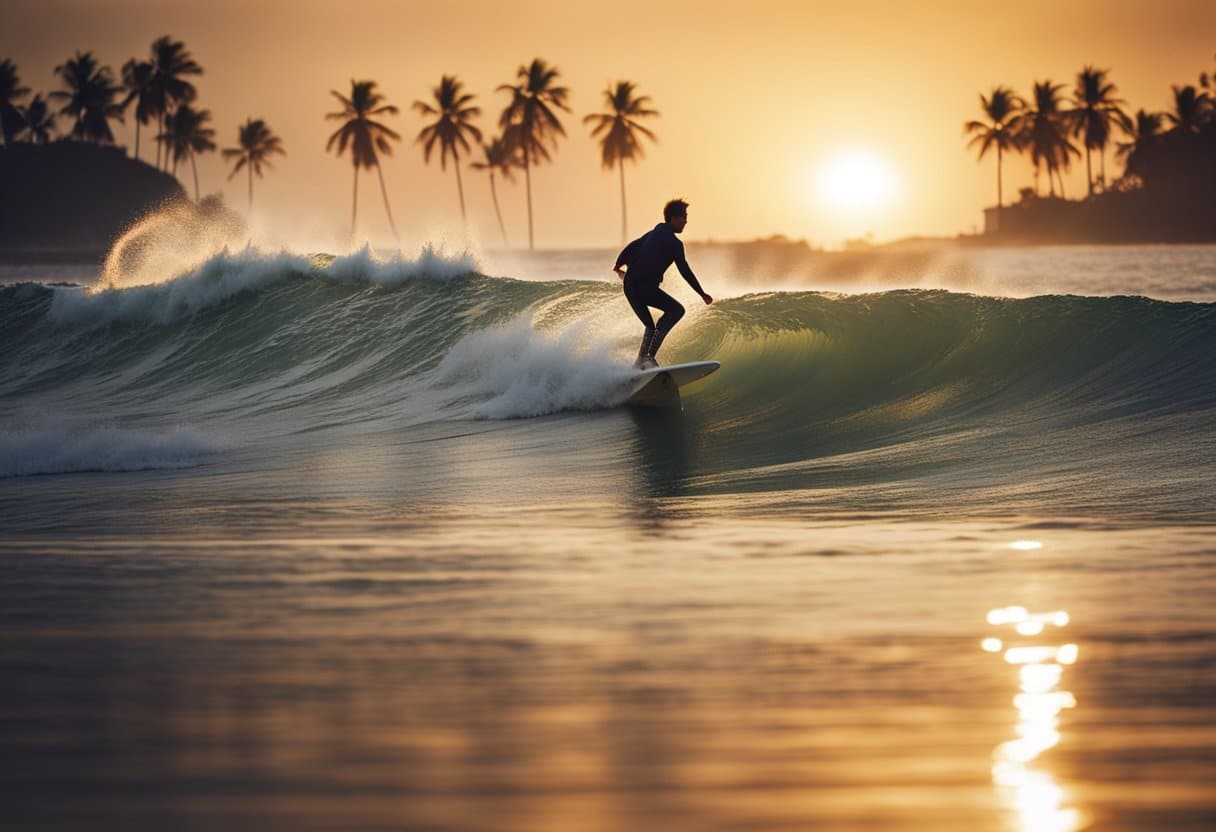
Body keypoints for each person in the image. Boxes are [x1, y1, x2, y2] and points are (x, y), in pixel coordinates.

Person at [613, 198, 713, 369]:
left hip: (630, 285)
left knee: (650, 327)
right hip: (644, 287)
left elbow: (632, 246)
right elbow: (684, 270)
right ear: (673, 218)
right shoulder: (674, 243)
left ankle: (640, 362)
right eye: (683, 217)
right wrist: (701, 293)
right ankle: (648, 358)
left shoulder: (652, 233)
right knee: (676, 310)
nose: (686, 221)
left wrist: (618, 265)